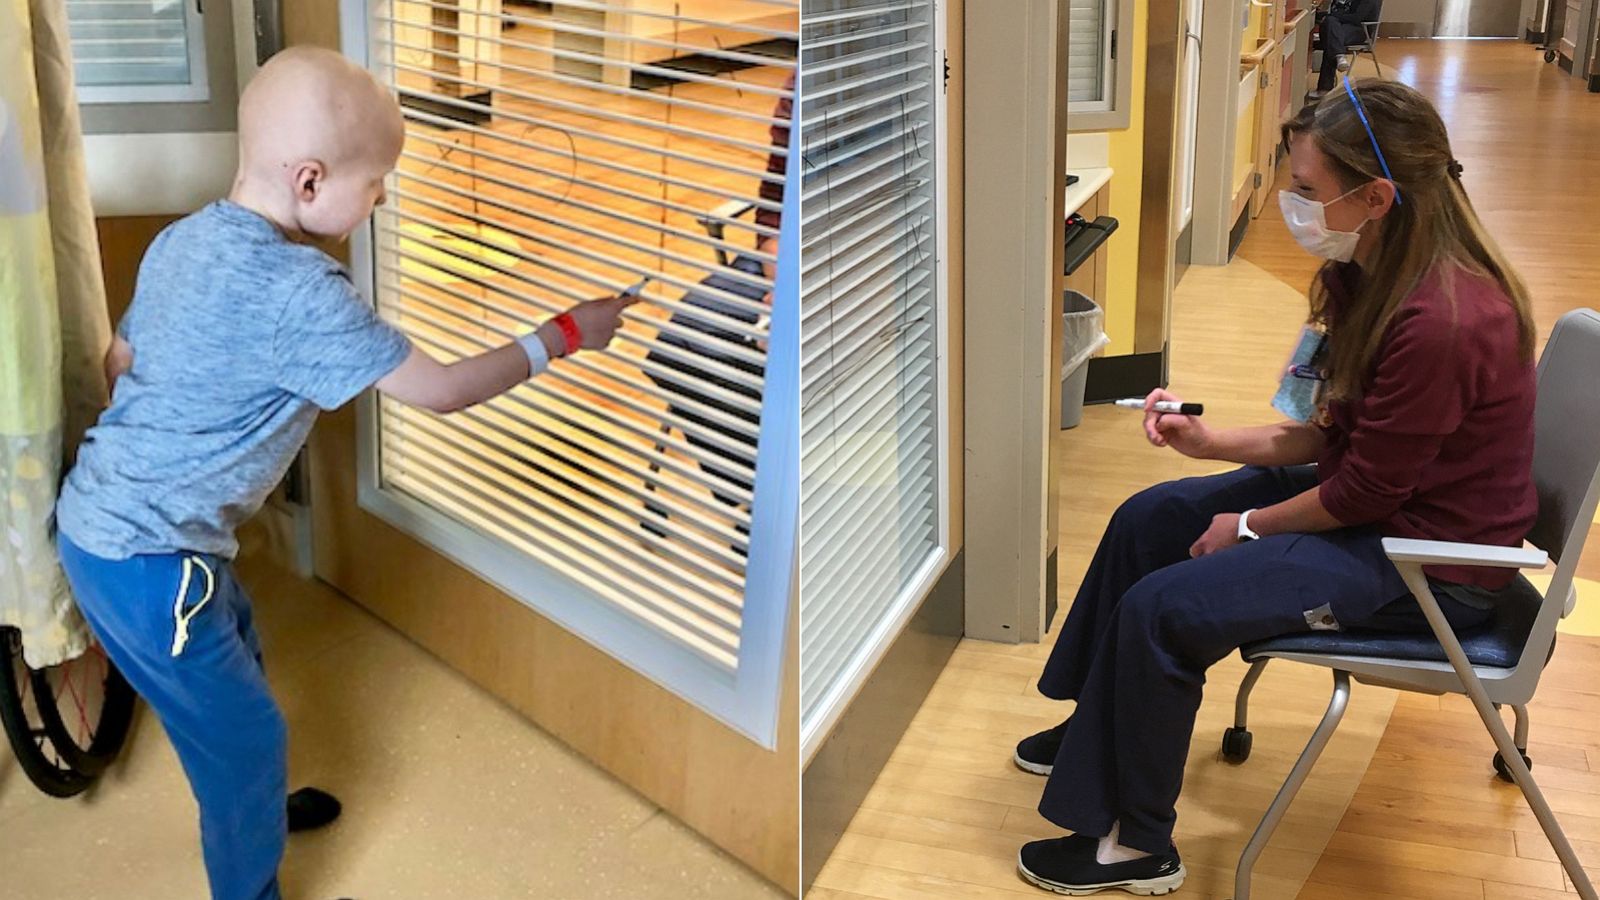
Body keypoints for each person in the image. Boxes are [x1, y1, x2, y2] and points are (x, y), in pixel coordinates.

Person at [52, 47, 634, 900]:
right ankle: (248, 868)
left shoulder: (184, 239)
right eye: (376, 182)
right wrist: (565, 335)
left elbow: (119, 360)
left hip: (102, 525)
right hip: (152, 565)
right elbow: (440, 392)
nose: (384, 198)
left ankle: (251, 801)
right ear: (312, 182)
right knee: (244, 738)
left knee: (235, 660)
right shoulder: (303, 295)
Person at [1012, 78, 1538, 896]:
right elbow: (1321, 428)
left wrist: (1249, 526)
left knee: (1167, 609)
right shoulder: (1361, 273)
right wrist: (1208, 440)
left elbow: (1362, 493)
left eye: (1304, 191)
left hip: (1427, 563)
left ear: (1376, 196)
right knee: (1148, 518)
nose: (1292, 206)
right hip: (1379, 503)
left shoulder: (1446, 320)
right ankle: (1099, 732)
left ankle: (1138, 847)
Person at [1311, 0, 1382, 100]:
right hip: (1339, 28)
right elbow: (1336, 12)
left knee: (1331, 36)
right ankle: (1339, 55)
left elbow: (1357, 18)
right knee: (1331, 29)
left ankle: (1325, 89)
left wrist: (1333, 16)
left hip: (1360, 30)